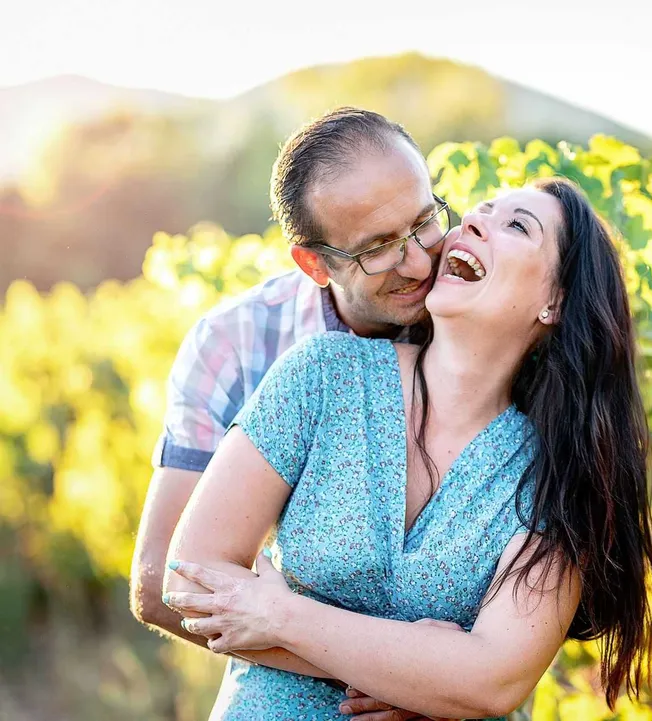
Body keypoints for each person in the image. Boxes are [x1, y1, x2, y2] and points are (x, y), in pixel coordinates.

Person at [162, 178, 652, 720]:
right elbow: (190, 577)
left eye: (517, 226)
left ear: (554, 302)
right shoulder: (323, 376)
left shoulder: (556, 476)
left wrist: (282, 616)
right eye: (479, 212)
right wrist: (422, 674)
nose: (472, 223)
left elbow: (491, 682)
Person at [130, 107, 448, 716]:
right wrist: (405, 676)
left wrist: (458, 682)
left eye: (424, 222)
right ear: (314, 264)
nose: (417, 263)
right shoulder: (236, 342)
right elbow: (163, 582)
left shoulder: (484, 310)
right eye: (377, 249)